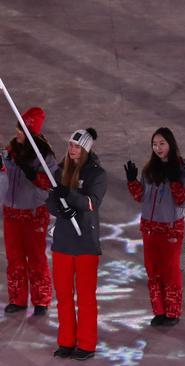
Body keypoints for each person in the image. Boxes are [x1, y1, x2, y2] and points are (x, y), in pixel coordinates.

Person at [47, 128, 107, 361]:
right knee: (63, 295)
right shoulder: (61, 170)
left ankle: (87, 344)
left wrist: (70, 196)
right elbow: (50, 202)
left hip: (85, 244)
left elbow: (92, 202)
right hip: (62, 243)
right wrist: (58, 206)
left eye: (77, 146)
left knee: (85, 297)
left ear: (86, 149)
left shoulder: (97, 174)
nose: (72, 150)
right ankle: (66, 341)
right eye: (70, 145)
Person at [124, 127, 185, 327]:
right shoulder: (149, 169)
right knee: (152, 270)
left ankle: (172, 311)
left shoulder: (181, 167)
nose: (158, 148)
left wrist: (174, 181)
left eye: (162, 143)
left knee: (170, 269)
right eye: (154, 144)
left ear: (170, 144)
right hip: (149, 228)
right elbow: (141, 197)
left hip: (170, 228)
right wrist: (131, 182)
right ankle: (159, 311)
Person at [1, 107, 56, 316]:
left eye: (22, 130)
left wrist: (33, 174)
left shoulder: (44, 156)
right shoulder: (10, 150)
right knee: (14, 258)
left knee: (36, 258)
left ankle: (41, 300)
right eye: (18, 128)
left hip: (33, 214)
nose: (18, 133)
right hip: (12, 213)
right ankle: (18, 298)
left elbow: (50, 184)